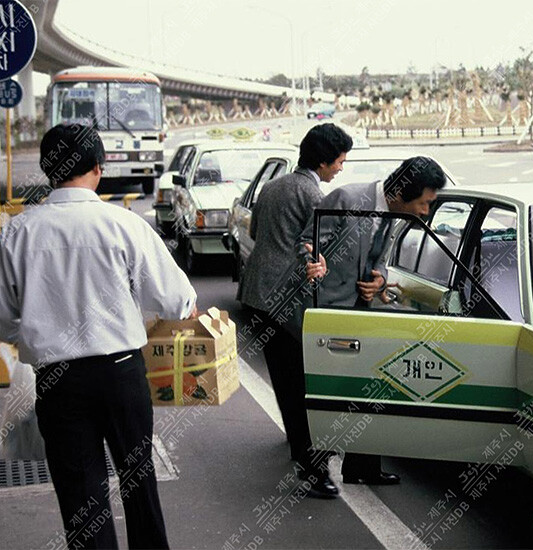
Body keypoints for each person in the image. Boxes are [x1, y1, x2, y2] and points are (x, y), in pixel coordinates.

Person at [0, 123, 197, 549]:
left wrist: (38, 326)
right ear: (98, 168)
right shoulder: (124, 224)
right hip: (121, 372)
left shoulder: (17, 232)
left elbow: (2, 320)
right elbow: (177, 299)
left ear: (49, 170)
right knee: (138, 482)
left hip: (57, 380)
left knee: (80, 497)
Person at [304, 156, 446, 483]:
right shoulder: (347, 199)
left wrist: (379, 279)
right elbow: (306, 244)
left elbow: (379, 260)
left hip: (362, 316)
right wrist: (314, 263)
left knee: (367, 390)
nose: (426, 212)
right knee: (328, 394)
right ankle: (316, 472)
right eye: (424, 203)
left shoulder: (391, 215)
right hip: (328, 315)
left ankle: (362, 468)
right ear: (402, 194)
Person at [238, 123, 354, 499]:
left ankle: (298, 448)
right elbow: (315, 248)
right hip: (288, 298)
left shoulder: (273, 186)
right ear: (322, 161)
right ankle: (312, 467)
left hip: (257, 291)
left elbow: (255, 232)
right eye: (339, 161)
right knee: (305, 382)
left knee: (284, 378)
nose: (341, 167)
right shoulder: (313, 194)